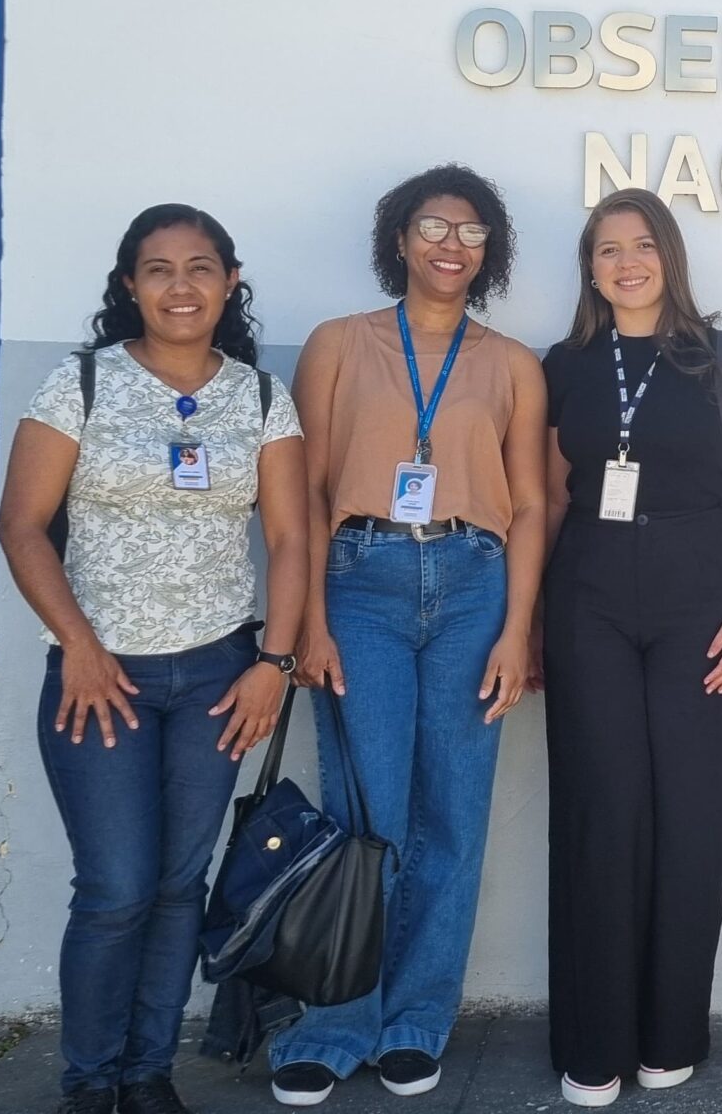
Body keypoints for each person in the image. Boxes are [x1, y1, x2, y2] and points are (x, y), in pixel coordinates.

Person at [0, 204, 309, 1114]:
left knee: (179, 885)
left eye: (201, 267)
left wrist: (274, 663)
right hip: (104, 682)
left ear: (231, 281)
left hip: (219, 672)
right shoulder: (81, 383)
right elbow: (22, 527)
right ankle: (91, 1083)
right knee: (115, 887)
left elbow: (290, 539)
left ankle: (148, 1075)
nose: (182, 286)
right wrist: (82, 649)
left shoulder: (257, 396)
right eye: (159, 269)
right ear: (129, 285)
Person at [267, 166, 548, 1107]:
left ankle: (416, 1022)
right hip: (360, 583)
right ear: (400, 238)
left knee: (451, 821)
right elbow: (301, 492)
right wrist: (305, 620)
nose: (450, 245)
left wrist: (519, 626)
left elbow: (535, 503)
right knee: (364, 812)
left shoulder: (511, 363)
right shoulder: (339, 344)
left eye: (470, 233)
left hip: (475, 585)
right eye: (433, 226)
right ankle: (335, 1022)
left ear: (488, 252)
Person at [537, 187, 722, 1108]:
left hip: (702, 608)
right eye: (608, 250)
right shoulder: (559, 367)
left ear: (669, 257)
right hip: (590, 603)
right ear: (590, 268)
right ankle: (593, 1041)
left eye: (643, 246)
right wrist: (527, 625)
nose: (626, 263)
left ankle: (671, 1029)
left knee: (688, 815)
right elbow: (552, 499)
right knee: (605, 812)